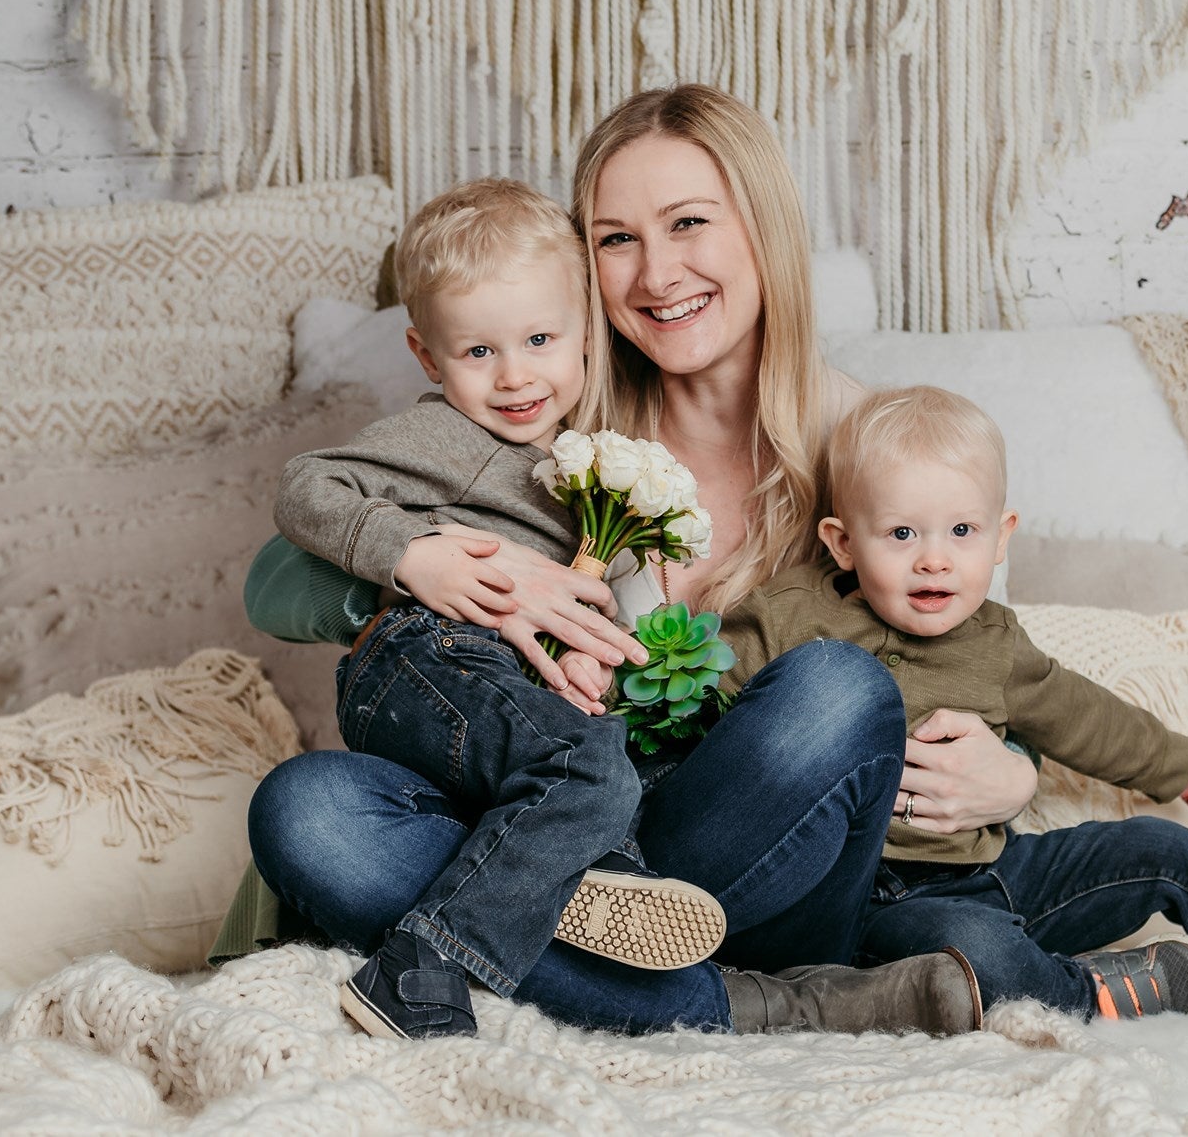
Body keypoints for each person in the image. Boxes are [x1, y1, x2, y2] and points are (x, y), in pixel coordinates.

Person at [234, 85, 1026, 1036]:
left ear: (761, 228)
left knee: (839, 690)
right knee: (308, 811)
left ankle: (672, 969)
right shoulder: (547, 421)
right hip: (569, 830)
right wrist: (462, 565)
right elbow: (276, 581)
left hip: (752, 864)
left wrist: (1013, 772)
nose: (657, 273)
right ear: (582, 269)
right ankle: (748, 1008)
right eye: (616, 239)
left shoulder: (879, 444)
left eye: (688, 223)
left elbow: (979, 658)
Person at [716, 386, 1188, 1027]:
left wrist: (1181, 757)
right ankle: (1089, 990)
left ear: (1000, 537)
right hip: (878, 904)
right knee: (983, 953)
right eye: (902, 533)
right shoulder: (789, 619)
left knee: (1160, 847)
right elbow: (718, 744)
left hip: (1000, 865)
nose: (934, 558)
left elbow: (1085, 716)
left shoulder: (998, 643)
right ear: (843, 543)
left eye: (961, 532)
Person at [273, 178, 730, 1039]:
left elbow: (610, 609)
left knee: (604, 763)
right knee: (587, 766)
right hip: (418, 657)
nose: (515, 374)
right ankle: (421, 965)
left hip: (500, 698)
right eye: (477, 352)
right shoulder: (437, 437)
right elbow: (305, 487)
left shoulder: (594, 466)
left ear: (585, 335)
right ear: (426, 356)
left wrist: (604, 647)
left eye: (540, 339)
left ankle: (594, 874)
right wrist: (410, 553)